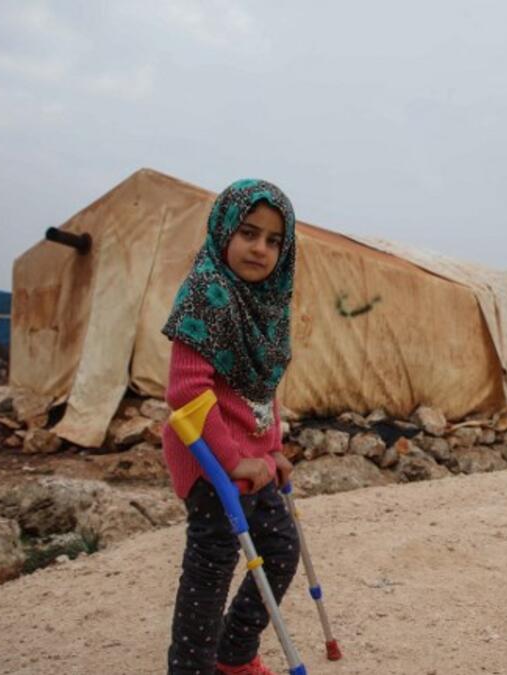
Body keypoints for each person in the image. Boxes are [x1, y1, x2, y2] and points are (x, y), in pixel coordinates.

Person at [162, 179, 301, 674]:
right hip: (209, 461)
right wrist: (231, 459)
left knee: (282, 549)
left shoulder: (266, 305)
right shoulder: (207, 293)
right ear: (224, 231)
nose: (260, 248)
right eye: (248, 233)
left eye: (273, 240)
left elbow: (263, 389)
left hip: (254, 462)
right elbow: (186, 392)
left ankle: (233, 653)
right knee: (212, 567)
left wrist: (273, 449)